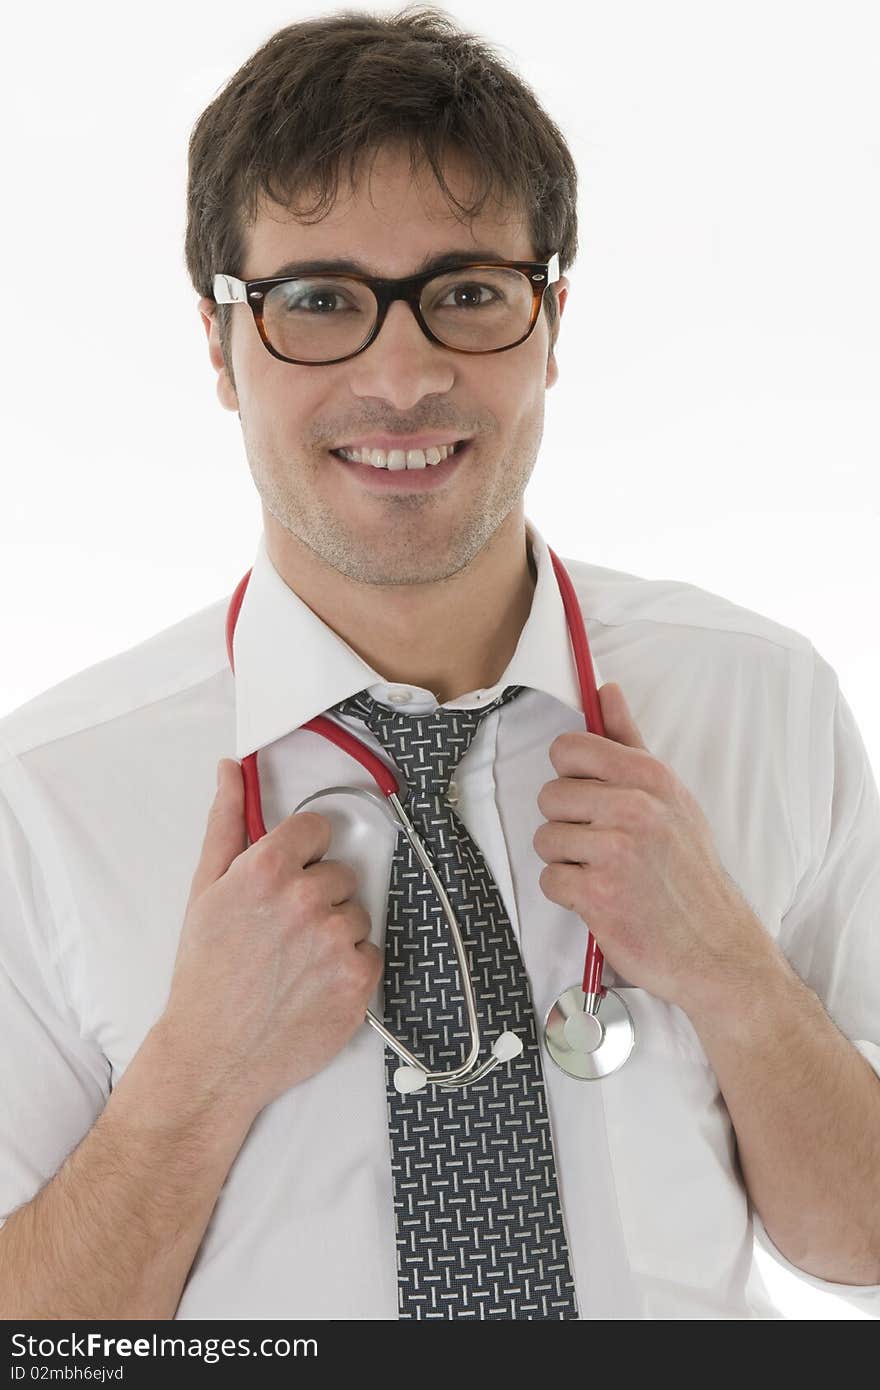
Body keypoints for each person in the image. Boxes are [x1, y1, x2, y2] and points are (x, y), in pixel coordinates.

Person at [1, 6, 878, 1323]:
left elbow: (859, 1246)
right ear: (219, 347)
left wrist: (736, 979)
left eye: (467, 293)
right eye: (317, 302)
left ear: (553, 319)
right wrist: (193, 1082)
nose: (403, 376)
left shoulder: (762, 700)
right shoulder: (48, 794)